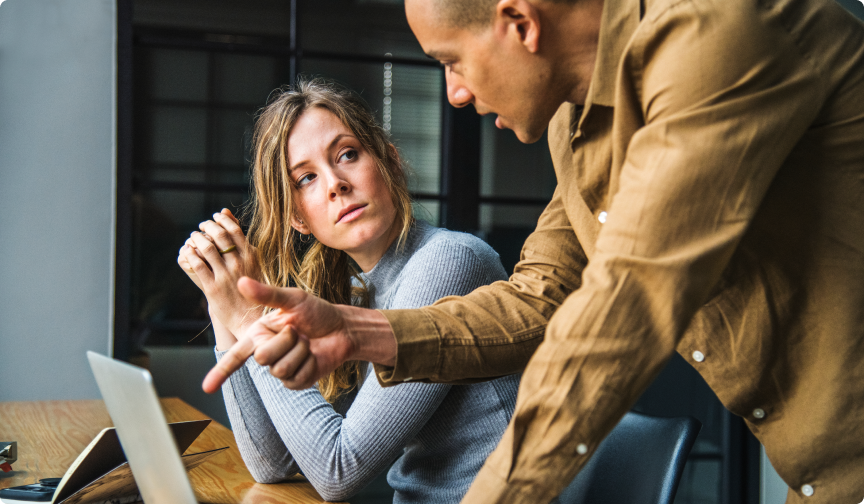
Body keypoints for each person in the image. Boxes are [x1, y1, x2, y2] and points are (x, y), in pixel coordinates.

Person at [205, 0, 864, 502]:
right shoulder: (575, 125)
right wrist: (357, 331)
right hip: (816, 472)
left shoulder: (711, 39)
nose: (455, 92)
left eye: (451, 61)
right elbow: (539, 297)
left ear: (518, 22)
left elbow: (623, 310)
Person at [179, 79, 520, 503]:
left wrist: (248, 318)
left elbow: (338, 471)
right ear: (298, 219)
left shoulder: (450, 260)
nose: (335, 183)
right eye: (306, 178)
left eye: (347, 155)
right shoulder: (357, 293)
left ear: (390, 162)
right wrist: (221, 297)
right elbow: (273, 463)